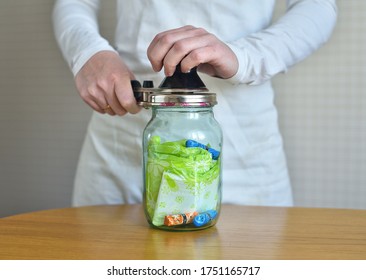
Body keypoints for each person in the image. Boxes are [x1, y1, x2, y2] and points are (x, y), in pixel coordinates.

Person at [52, 0, 337, 207]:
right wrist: (88, 52)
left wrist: (245, 57)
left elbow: (318, 5)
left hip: (243, 160)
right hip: (121, 144)